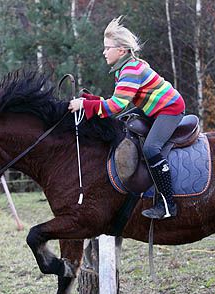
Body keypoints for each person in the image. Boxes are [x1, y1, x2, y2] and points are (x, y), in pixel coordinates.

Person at [68, 17, 185, 220]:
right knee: (121, 126)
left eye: (107, 48)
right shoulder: (124, 67)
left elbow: (116, 105)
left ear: (121, 50)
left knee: (151, 148)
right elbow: (118, 101)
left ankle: (167, 204)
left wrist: (85, 105)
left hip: (170, 109)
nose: (104, 52)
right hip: (152, 109)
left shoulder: (130, 70)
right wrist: (89, 100)